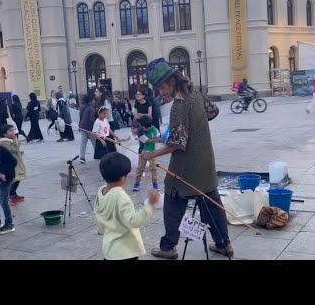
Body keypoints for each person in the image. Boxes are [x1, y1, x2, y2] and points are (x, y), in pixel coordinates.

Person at [141, 58, 233, 260]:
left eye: (162, 87)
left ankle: (168, 247)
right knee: (210, 201)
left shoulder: (179, 105)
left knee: (173, 200)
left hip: (186, 166)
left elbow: (177, 144)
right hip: (206, 162)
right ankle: (224, 244)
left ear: (172, 80)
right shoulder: (194, 93)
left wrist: (151, 154)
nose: (161, 92)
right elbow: (213, 112)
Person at [94, 152, 159, 260]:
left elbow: (97, 215)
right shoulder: (121, 197)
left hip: (109, 249)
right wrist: (150, 205)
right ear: (123, 177)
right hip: (125, 252)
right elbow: (134, 221)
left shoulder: (101, 191)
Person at [132, 115, 162, 192]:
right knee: (140, 168)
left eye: (149, 127)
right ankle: (137, 183)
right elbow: (147, 141)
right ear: (142, 126)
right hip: (143, 152)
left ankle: (155, 183)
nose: (148, 129)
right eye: (146, 128)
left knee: (153, 168)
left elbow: (159, 137)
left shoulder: (153, 128)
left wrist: (159, 139)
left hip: (152, 152)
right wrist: (157, 139)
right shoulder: (139, 131)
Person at [0, 125, 26, 204]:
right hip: (12, 165)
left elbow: (14, 149)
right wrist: (15, 139)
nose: (13, 132)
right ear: (4, 134)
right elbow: (14, 149)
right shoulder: (4, 141)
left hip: (16, 163)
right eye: (10, 131)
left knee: (18, 178)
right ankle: (10, 195)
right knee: (14, 179)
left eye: (13, 130)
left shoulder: (8, 141)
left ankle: (13, 194)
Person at [78, 95, 96, 163]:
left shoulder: (82, 107)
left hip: (83, 127)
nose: (94, 102)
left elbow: (80, 117)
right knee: (94, 142)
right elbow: (92, 119)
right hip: (89, 128)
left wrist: (79, 125)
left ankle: (82, 157)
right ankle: (98, 155)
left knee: (83, 143)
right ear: (89, 102)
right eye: (93, 100)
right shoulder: (91, 108)